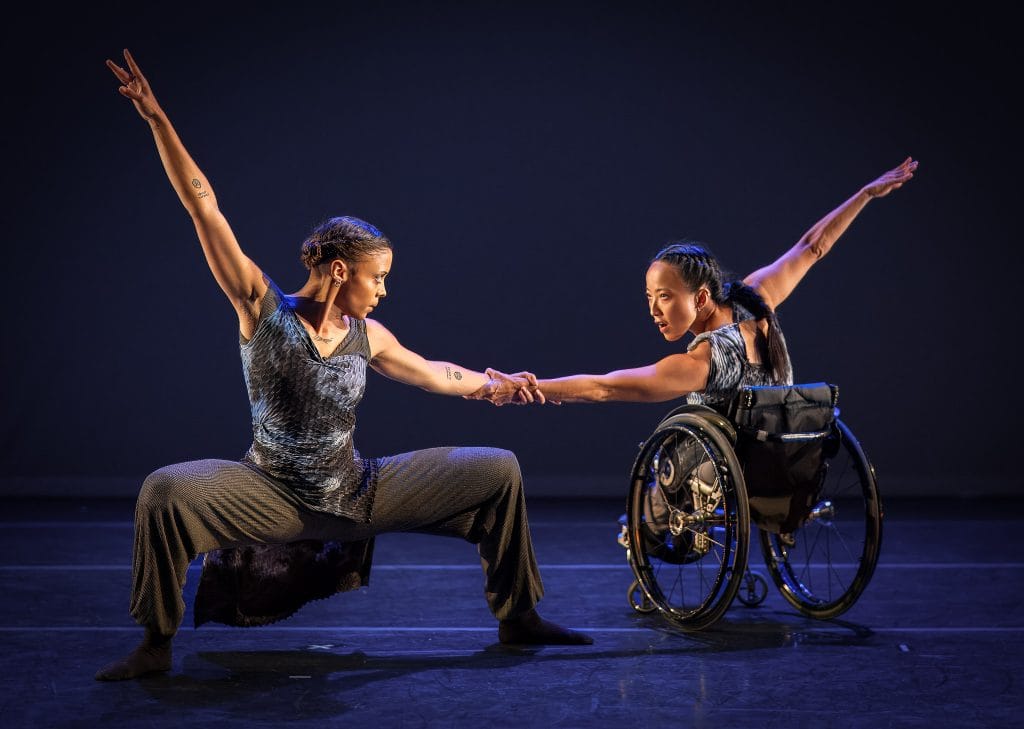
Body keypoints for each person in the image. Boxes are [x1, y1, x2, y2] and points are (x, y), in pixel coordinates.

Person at [96, 49, 590, 682]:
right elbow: (204, 209)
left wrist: (497, 386)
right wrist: (157, 119)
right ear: (339, 271)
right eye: (377, 278)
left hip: (359, 489)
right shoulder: (260, 307)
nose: (383, 291)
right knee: (165, 490)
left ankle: (518, 617)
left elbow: (438, 372)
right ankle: (154, 645)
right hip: (272, 493)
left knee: (499, 470)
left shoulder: (369, 335)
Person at [475, 157, 917, 408]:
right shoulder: (755, 300)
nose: (653, 310)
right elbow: (811, 248)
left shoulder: (703, 360)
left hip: (726, 472)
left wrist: (527, 388)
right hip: (782, 455)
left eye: (664, 297)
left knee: (652, 505)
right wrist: (864, 194)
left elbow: (604, 386)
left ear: (701, 297)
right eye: (649, 298)